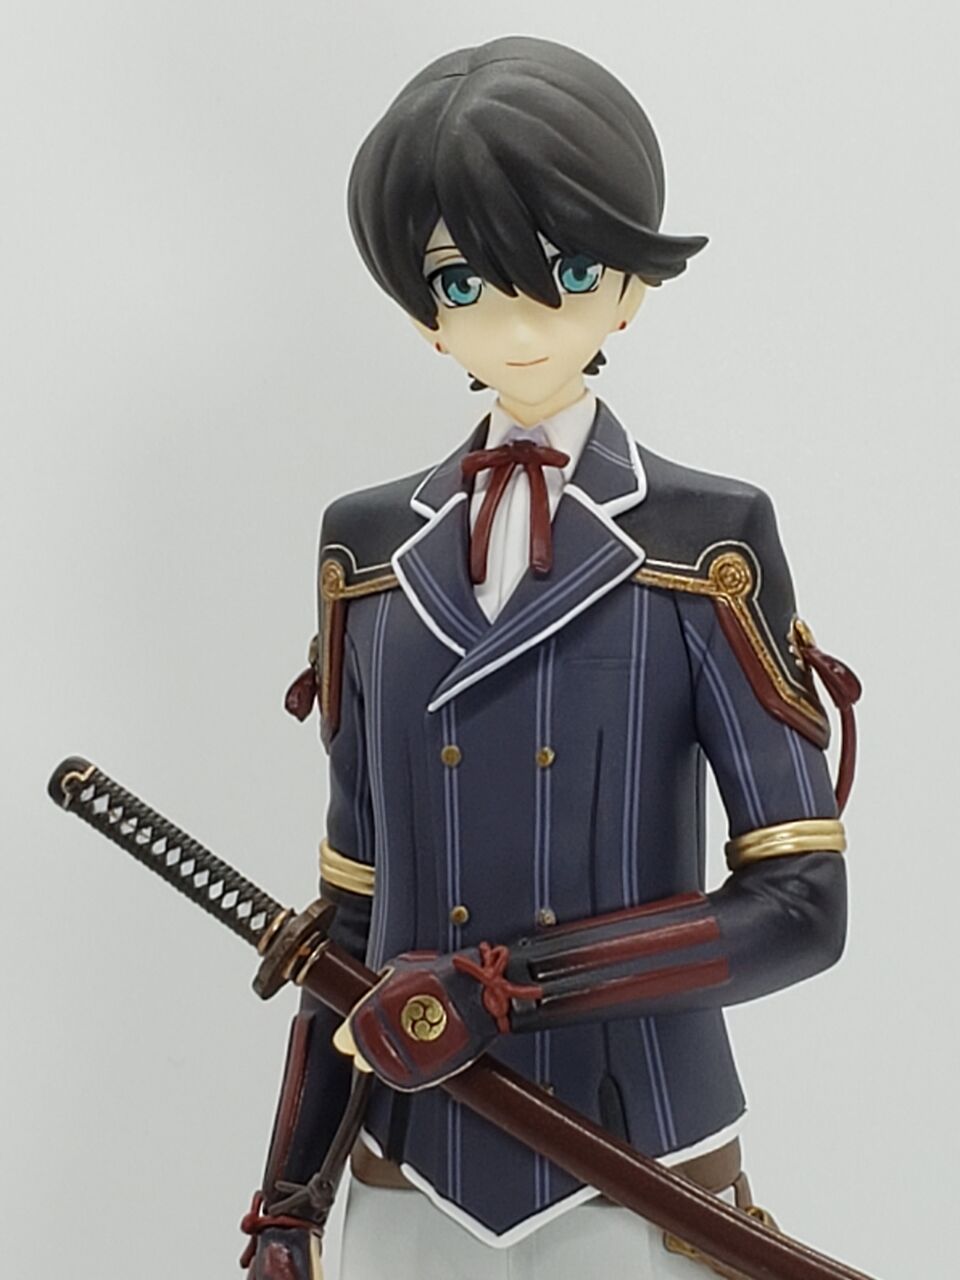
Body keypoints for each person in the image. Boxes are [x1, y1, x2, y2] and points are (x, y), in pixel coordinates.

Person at [241, 36, 851, 1280]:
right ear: (426, 315)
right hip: (406, 1170)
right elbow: (348, 917)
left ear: (631, 289)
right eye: (464, 280)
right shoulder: (365, 550)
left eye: (566, 269)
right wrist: (289, 1201)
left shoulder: (707, 541)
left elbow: (802, 905)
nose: (517, 321)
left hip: (638, 1163)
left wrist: (514, 987)